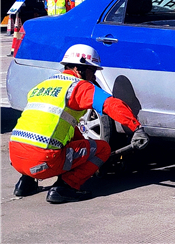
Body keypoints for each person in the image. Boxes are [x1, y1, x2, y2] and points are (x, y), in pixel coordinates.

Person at [9, 44, 149, 203]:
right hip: (44, 162)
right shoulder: (78, 87)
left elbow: (62, 125)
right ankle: (65, 188)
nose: (94, 77)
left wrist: (83, 146)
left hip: (16, 157)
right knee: (102, 149)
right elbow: (111, 104)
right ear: (78, 68)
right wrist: (136, 128)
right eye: (92, 71)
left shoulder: (45, 85)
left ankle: (25, 183)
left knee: (44, 141)